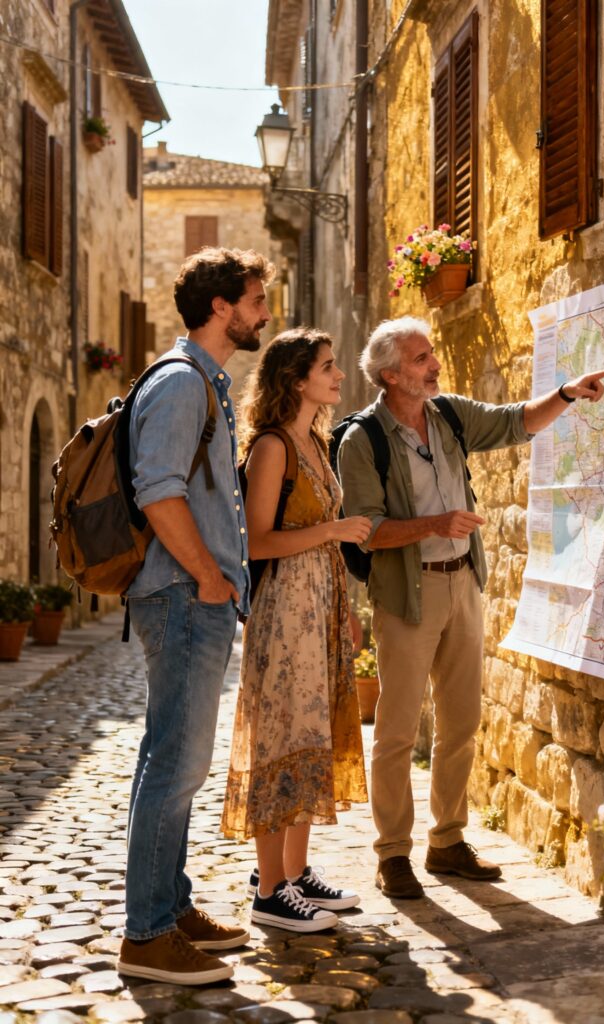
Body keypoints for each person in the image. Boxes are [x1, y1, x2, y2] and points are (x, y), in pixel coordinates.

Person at [337, 316, 604, 899]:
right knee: (396, 728)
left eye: (431, 353)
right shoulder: (362, 440)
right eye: (420, 359)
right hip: (407, 594)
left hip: (462, 582)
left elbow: (517, 422)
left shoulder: (451, 415)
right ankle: (392, 853)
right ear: (390, 375)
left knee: (460, 721)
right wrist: (436, 524)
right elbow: (365, 530)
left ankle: (448, 841)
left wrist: (566, 393)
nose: (433, 363)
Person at [117, 247, 274, 984]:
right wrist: (211, 578)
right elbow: (159, 490)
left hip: (194, 598)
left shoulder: (203, 382)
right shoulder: (183, 385)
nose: (263, 310)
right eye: (255, 297)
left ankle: (171, 907)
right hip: (183, 597)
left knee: (178, 761)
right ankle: (147, 936)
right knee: (174, 763)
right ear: (221, 308)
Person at [220, 327, 370, 933]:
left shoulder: (315, 437)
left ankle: (294, 870)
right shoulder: (273, 446)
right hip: (284, 612)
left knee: (312, 732)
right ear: (296, 378)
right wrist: (332, 533)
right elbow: (255, 540)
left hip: (321, 606)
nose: (338, 376)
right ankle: (270, 890)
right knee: (282, 737)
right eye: (328, 367)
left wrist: (346, 613)